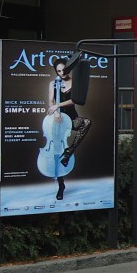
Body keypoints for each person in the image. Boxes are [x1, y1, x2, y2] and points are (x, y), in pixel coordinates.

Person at [45, 58, 92, 199]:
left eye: (64, 70)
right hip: (58, 121)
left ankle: (69, 151)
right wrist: (56, 112)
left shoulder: (75, 83)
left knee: (87, 122)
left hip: (71, 119)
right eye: (58, 71)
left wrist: (58, 106)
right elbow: (51, 102)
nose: (61, 73)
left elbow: (75, 100)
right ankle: (61, 186)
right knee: (55, 152)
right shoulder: (53, 84)